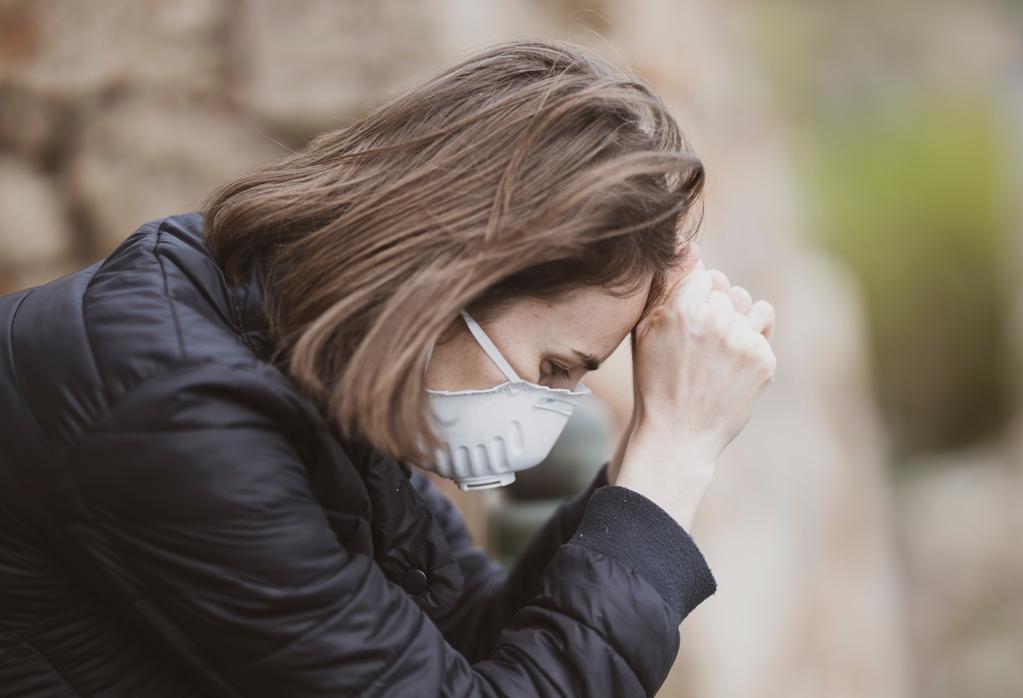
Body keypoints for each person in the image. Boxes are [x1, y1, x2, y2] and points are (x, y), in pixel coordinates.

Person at [0, 39, 776, 697]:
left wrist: (638, 475)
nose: (553, 407)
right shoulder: (176, 409)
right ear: (456, 273)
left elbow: (468, 642)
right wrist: (672, 460)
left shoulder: (295, 351)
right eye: (554, 367)